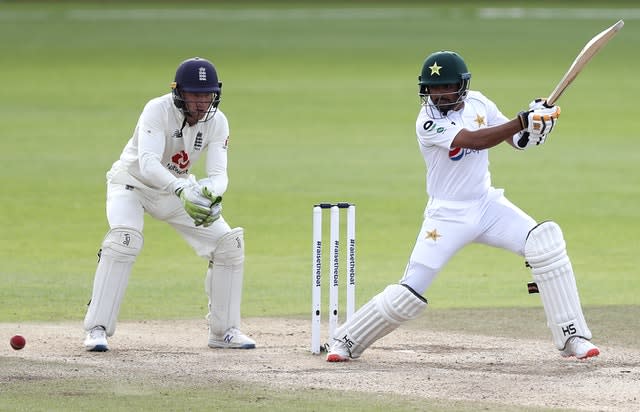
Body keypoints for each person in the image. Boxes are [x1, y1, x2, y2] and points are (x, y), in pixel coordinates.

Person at [326, 50, 599, 362]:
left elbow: (518, 141)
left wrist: (536, 125)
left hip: (486, 206)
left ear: (463, 86)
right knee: (409, 294)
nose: (439, 94)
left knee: (544, 242)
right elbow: (474, 140)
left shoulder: (480, 102)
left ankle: (572, 337)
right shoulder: (427, 122)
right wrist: (521, 120)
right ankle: (346, 339)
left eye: (446, 87)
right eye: (432, 88)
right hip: (445, 216)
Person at [83, 57, 255, 351]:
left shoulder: (218, 122)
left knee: (228, 243)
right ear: (179, 93)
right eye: (195, 94)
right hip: (132, 185)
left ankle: (224, 330)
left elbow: (218, 176)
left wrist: (207, 194)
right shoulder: (156, 110)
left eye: (208, 95)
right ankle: (97, 329)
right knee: (125, 239)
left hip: (179, 192)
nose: (202, 103)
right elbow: (148, 164)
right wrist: (182, 190)